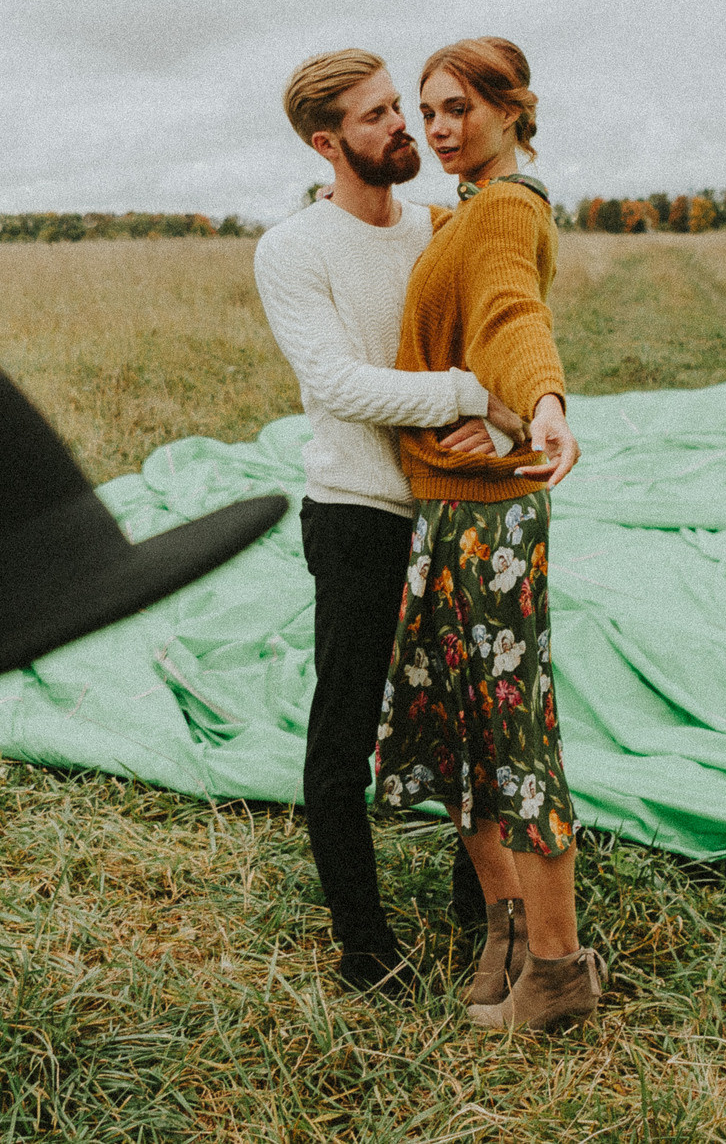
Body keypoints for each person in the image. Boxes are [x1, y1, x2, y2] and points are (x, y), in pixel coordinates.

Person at [253, 49, 532, 996]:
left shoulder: (441, 227)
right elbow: (334, 382)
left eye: (400, 111)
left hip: (451, 514)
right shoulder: (293, 248)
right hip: (357, 515)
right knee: (344, 737)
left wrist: (502, 420)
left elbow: (502, 333)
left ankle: (481, 911)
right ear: (329, 143)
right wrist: (466, 395)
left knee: (471, 724)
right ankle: (366, 945)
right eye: (378, 119)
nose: (404, 130)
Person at [376, 35, 602, 1032]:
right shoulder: (465, 209)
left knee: (510, 735)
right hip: (451, 506)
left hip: (488, 518)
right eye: (426, 112)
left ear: (515, 110)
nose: (435, 129)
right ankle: (507, 930)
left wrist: (537, 402)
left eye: (456, 109)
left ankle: (556, 970)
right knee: (466, 731)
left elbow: (511, 312)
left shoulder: (506, 206)